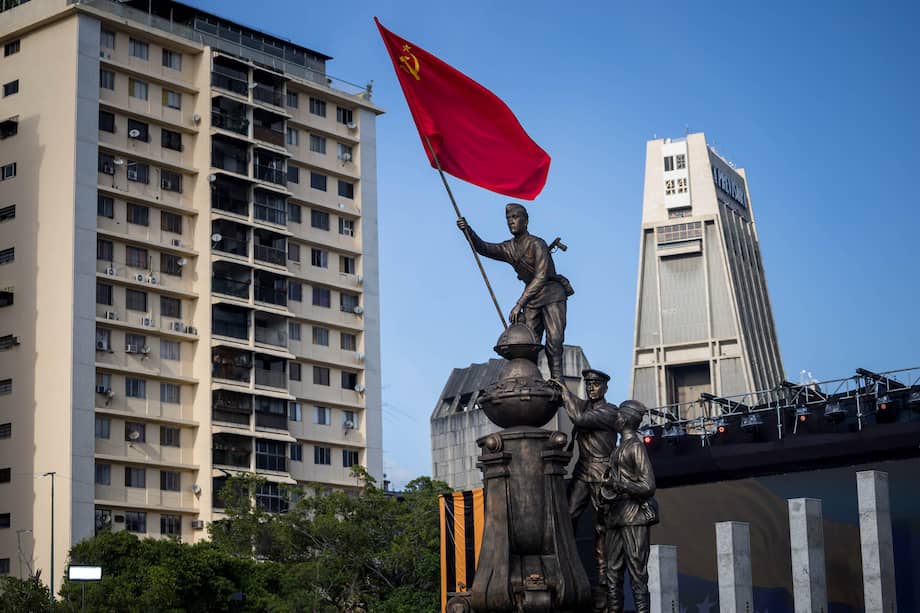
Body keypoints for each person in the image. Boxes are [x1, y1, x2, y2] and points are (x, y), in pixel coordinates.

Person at [457, 203, 572, 380]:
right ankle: (530, 381)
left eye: (515, 217)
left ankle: (558, 383)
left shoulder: (537, 244)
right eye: (508, 219)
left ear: (525, 221)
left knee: (554, 344)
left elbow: (541, 277)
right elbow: (484, 248)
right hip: (532, 299)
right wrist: (468, 231)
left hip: (551, 295)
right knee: (527, 344)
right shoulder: (508, 247)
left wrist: (519, 304)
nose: (511, 222)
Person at [549, 369, 618, 612]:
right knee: (568, 517)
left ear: (605, 388)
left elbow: (578, 418)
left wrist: (565, 392)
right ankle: (566, 564)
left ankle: (602, 577)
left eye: (596, 384)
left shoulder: (609, 411)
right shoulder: (585, 405)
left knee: (602, 527)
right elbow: (568, 402)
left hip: (601, 473)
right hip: (582, 470)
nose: (591, 388)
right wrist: (556, 387)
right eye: (588, 384)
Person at [601, 400, 659, 613]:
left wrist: (619, 484)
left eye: (617, 416)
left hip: (634, 517)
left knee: (637, 573)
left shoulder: (635, 447)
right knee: (612, 574)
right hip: (615, 516)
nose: (615, 419)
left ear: (625, 419)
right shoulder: (618, 450)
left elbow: (648, 485)